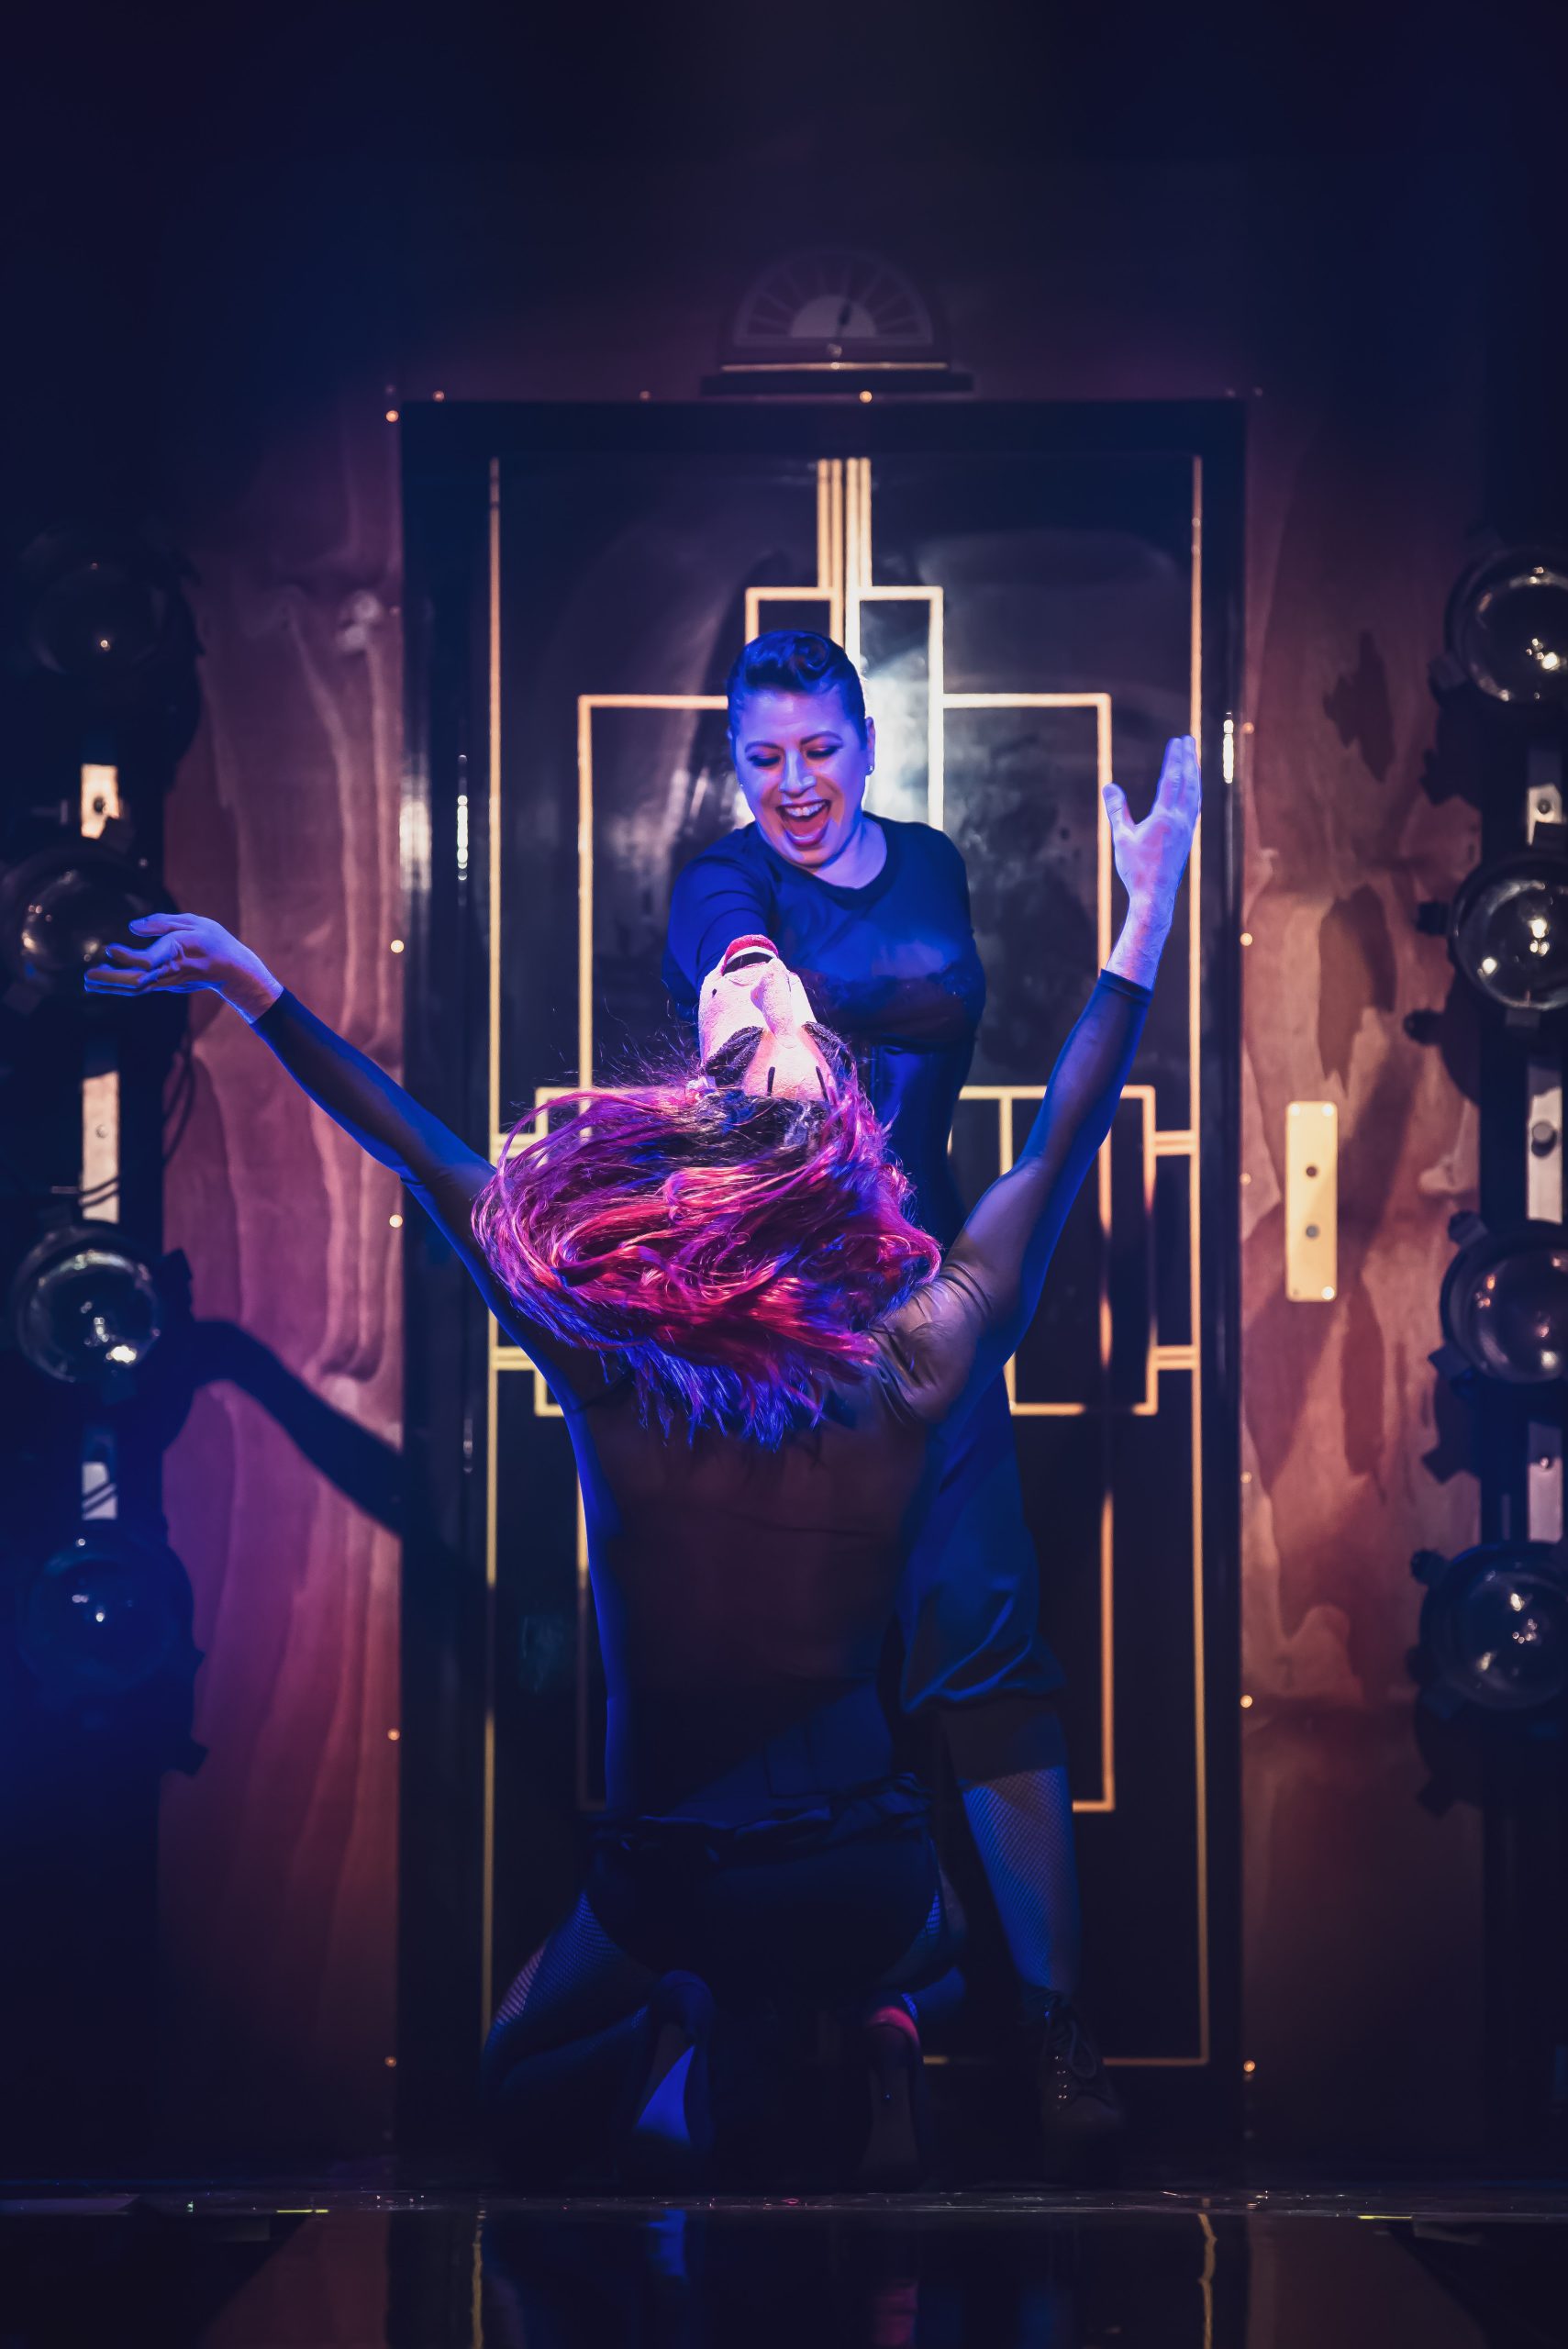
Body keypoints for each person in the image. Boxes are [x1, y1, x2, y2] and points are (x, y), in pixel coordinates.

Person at [84, 733, 1195, 2186]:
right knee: (916, 1936)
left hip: (667, 1883)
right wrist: (1143, 919)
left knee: (514, 2076)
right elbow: (1061, 1139)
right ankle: (867, 2017)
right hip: (866, 1883)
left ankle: (700, 2022)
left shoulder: (605, 1352)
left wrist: (254, 987)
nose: (764, 983)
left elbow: (418, 1151)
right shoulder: (917, 1353)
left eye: (766, 1006)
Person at [665, 630, 1149, 2172]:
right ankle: (772, 2037)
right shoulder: (719, 879)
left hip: (926, 1315)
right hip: (772, 1331)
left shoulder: (929, 861)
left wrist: (1146, 910)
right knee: (781, 1678)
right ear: (736, 764)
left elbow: (954, 1007)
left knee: (985, 1648)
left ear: (867, 743)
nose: (794, 784)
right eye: (763, 758)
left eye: (818, 749)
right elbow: (732, 972)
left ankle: (1054, 2032)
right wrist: (757, 997)